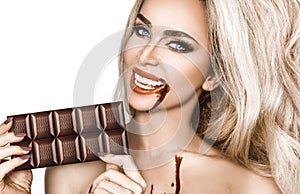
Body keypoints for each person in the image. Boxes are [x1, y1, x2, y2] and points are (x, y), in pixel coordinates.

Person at [0, 0, 299, 193]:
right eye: (142, 32)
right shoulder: (74, 168)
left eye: (178, 45)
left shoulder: (250, 187)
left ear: (214, 76)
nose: (145, 56)